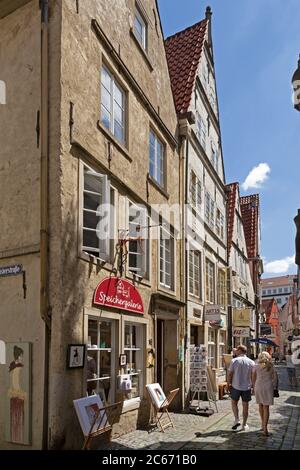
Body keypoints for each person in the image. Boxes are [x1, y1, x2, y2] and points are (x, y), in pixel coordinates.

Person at [228, 344, 255, 431]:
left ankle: (237, 419)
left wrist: (229, 383)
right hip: (247, 386)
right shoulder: (251, 362)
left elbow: (230, 373)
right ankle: (244, 424)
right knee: (245, 405)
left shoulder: (234, 360)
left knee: (234, 403)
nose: (235, 351)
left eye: (237, 350)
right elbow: (253, 376)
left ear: (239, 351)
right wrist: (253, 386)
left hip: (235, 385)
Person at [252, 351, 278, 437]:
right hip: (268, 387)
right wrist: (274, 386)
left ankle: (263, 425)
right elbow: (275, 378)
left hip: (258, 386)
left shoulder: (256, 366)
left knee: (260, 405)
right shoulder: (271, 366)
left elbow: (253, 377)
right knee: (266, 407)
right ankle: (265, 428)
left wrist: (253, 387)